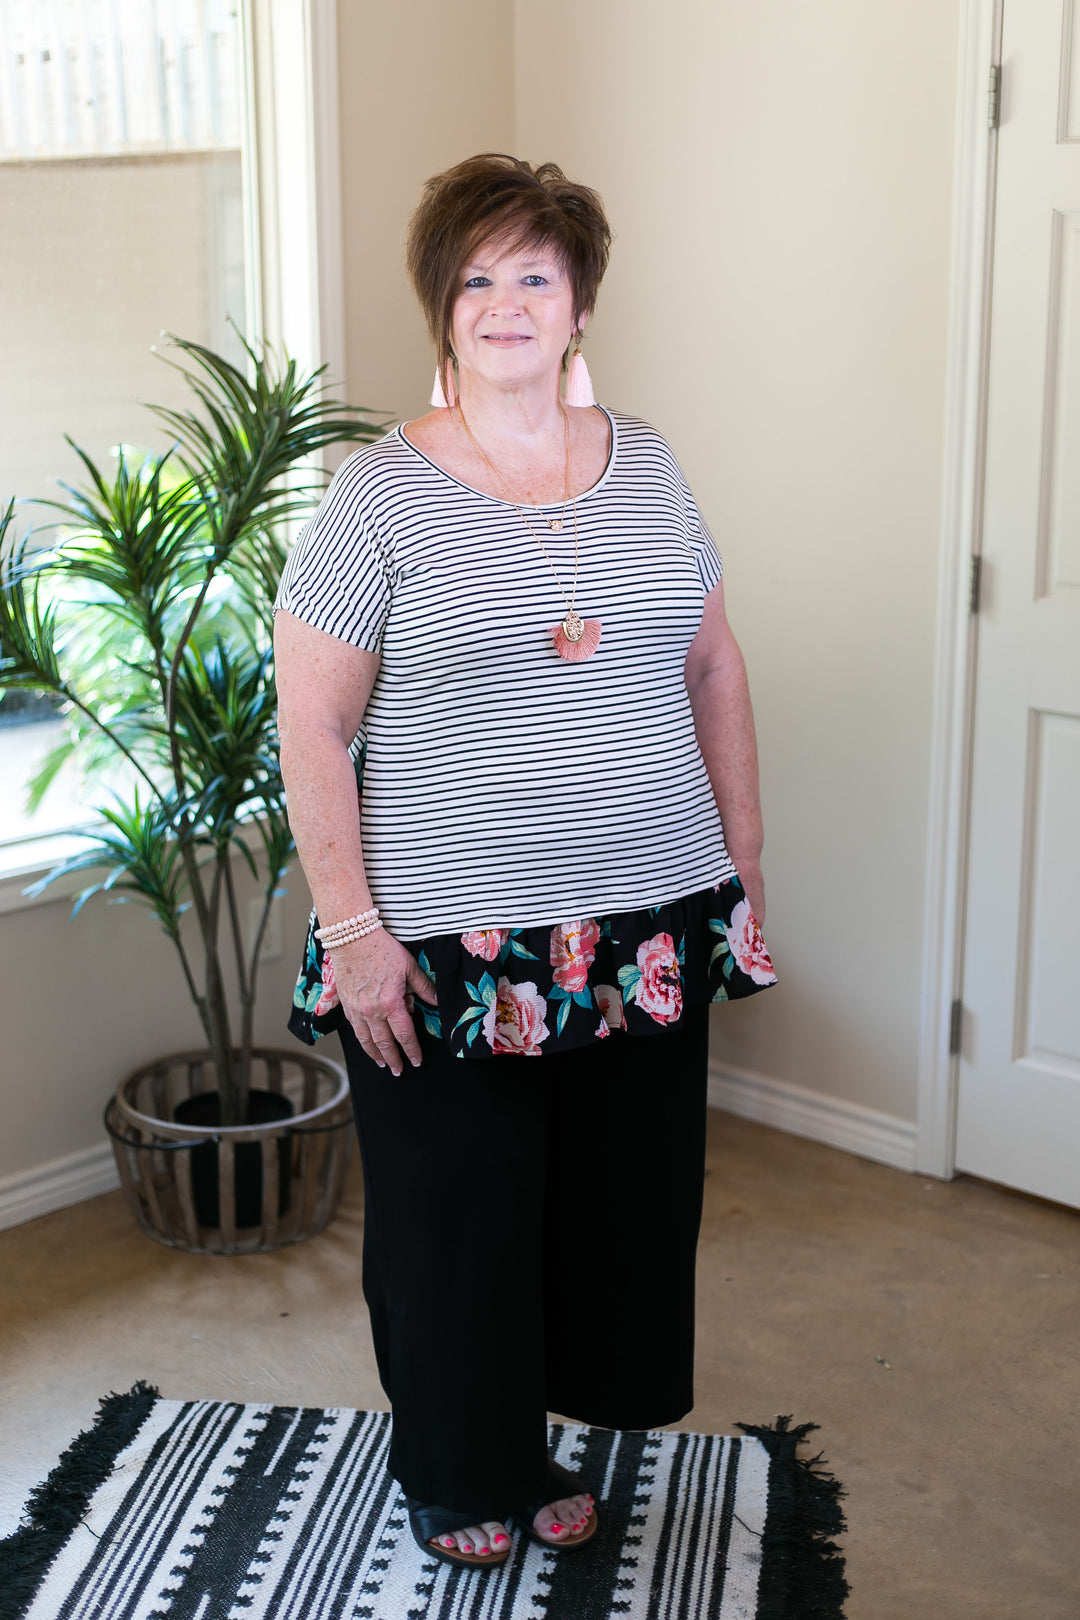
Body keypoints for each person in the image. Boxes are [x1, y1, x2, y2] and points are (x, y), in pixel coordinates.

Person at [272, 153, 776, 1572]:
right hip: (445, 936)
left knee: (605, 1211)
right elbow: (309, 721)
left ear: (579, 302)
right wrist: (354, 926)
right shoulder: (378, 497)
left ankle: (532, 1432)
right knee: (457, 1220)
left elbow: (713, 665)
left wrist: (737, 867)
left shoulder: (652, 463)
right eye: (477, 277)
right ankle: (457, 1463)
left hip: (643, 918)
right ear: (443, 306)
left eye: (533, 276)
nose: (506, 302)